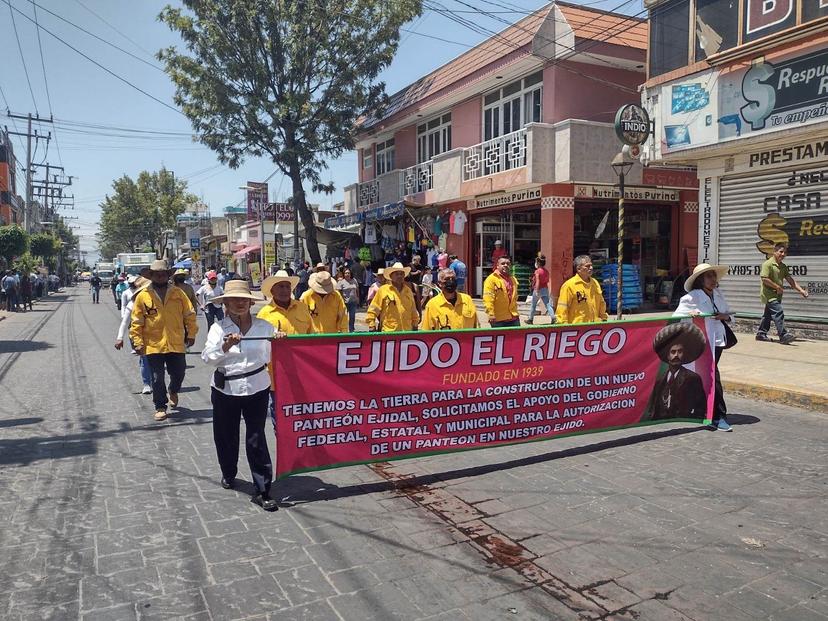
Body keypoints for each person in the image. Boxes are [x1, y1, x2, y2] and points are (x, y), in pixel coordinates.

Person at [202, 279, 278, 512]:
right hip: (226, 389)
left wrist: (281, 339)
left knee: (256, 437)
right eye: (235, 300)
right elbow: (207, 358)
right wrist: (224, 347)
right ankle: (228, 471)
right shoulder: (218, 329)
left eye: (244, 299)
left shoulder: (264, 327)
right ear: (225, 303)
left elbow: (274, 353)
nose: (240, 303)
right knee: (226, 435)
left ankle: (263, 488)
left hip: (257, 386)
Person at [130, 259, 198, 421]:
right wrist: (137, 341)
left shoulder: (178, 293)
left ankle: (173, 390)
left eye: (163, 274)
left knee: (179, 372)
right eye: (157, 274)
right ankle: (160, 406)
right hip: (153, 344)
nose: (160, 277)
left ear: (168, 275)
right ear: (152, 276)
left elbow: (189, 314)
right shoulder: (143, 296)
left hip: (176, 341)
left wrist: (192, 334)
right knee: (156, 377)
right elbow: (136, 321)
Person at [674, 263, 734, 431]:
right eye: (709, 276)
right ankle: (718, 416)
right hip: (702, 342)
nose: (713, 279)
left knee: (710, 376)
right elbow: (677, 318)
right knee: (713, 376)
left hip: (718, 341)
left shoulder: (718, 294)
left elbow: (730, 315)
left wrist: (725, 317)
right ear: (700, 280)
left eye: (714, 276)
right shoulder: (691, 297)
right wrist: (690, 316)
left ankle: (707, 412)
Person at [641, 323, 707, 421]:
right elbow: (653, 406)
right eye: (673, 352)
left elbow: (700, 406)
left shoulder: (693, 378)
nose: (676, 355)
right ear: (667, 356)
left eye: (680, 352)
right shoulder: (660, 380)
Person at [756, 243, 809, 344]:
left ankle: (761, 334)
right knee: (778, 312)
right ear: (774, 252)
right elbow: (764, 279)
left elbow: (790, 280)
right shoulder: (767, 264)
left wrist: (801, 291)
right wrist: (777, 287)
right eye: (781, 251)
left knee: (767, 315)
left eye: (785, 252)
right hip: (769, 294)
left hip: (777, 295)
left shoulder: (783, 266)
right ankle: (783, 335)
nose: (783, 254)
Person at [115, 276, 153, 394]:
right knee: (145, 360)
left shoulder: (157, 299)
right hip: (141, 337)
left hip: (158, 337)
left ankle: (159, 383)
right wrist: (120, 337)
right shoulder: (132, 304)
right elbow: (125, 322)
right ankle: (147, 384)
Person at [257, 270, 315, 335]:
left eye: (288, 287)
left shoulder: (302, 308)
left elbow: (311, 334)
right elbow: (260, 340)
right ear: (272, 291)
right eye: (281, 286)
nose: (285, 290)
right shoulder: (264, 314)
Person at [366, 262, 419, 332]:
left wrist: (415, 324)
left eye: (401, 274)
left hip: (406, 332)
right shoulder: (383, 290)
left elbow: (413, 310)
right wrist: (371, 324)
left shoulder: (408, 291)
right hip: (389, 333)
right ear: (391, 276)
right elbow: (373, 308)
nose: (399, 276)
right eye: (397, 274)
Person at [555, 255, 608, 324]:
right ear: (578, 269)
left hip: (595, 327)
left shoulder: (595, 283)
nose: (591, 268)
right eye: (587, 266)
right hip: (578, 329)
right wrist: (563, 326)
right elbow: (562, 308)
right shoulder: (569, 285)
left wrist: (603, 319)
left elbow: (601, 303)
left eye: (591, 265)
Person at [483, 256, 520, 327]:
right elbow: (488, 298)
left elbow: (514, 298)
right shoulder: (491, 279)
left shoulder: (513, 279)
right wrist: (491, 313)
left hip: (513, 317)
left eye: (508, 264)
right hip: (498, 319)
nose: (506, 265)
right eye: (503, 263)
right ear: (497, 266)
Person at [527, 255, 556, 325]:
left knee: (533, 305)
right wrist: (549, 290)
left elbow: (537, 281)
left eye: (536, 262)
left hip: (538, 289)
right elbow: (547, 281)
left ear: (538, 263)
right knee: (548, 305)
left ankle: (530, 319)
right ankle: (553, 318)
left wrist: (536, 291)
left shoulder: (537, 271)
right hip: (545, 289)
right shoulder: (546, 271)